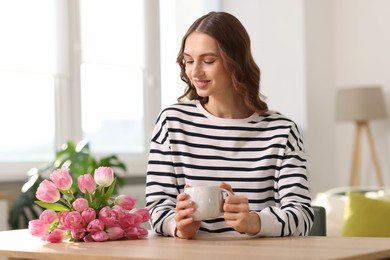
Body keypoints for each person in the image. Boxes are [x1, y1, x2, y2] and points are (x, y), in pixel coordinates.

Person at [145, 11, 313, 239]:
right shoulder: (172, 123)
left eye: (208, 61)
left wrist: (256, 221)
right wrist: (177, 226)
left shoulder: (281, 132)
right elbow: (156, 207)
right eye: (189, 60)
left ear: (236, 62)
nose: (195, 72)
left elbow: (302, 215)